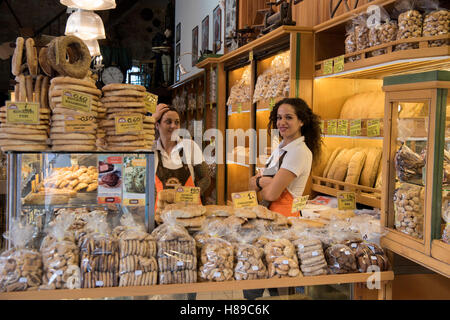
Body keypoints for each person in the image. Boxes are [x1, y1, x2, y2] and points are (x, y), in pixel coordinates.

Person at [244, 97, 322, 300]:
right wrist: (265, 182)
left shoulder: (299, 152)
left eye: (289, 117)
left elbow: (269, 192)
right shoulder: (281, 148)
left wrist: (262, 182)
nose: (282, 123)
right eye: (279, 118)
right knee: (259, 279)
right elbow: (252, 182)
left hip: (282, 225)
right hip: (268, 222)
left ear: (302, 121)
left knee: (274, 283)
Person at [152, 103, 211, 214]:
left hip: (189, 213)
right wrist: (153, 117)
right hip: (160, 215)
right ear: (157, 125)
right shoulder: (150, 149)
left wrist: (190, 196)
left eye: (177, 122)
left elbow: (206, 178)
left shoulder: (190, 146)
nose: (173, 126)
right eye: (168, 122)